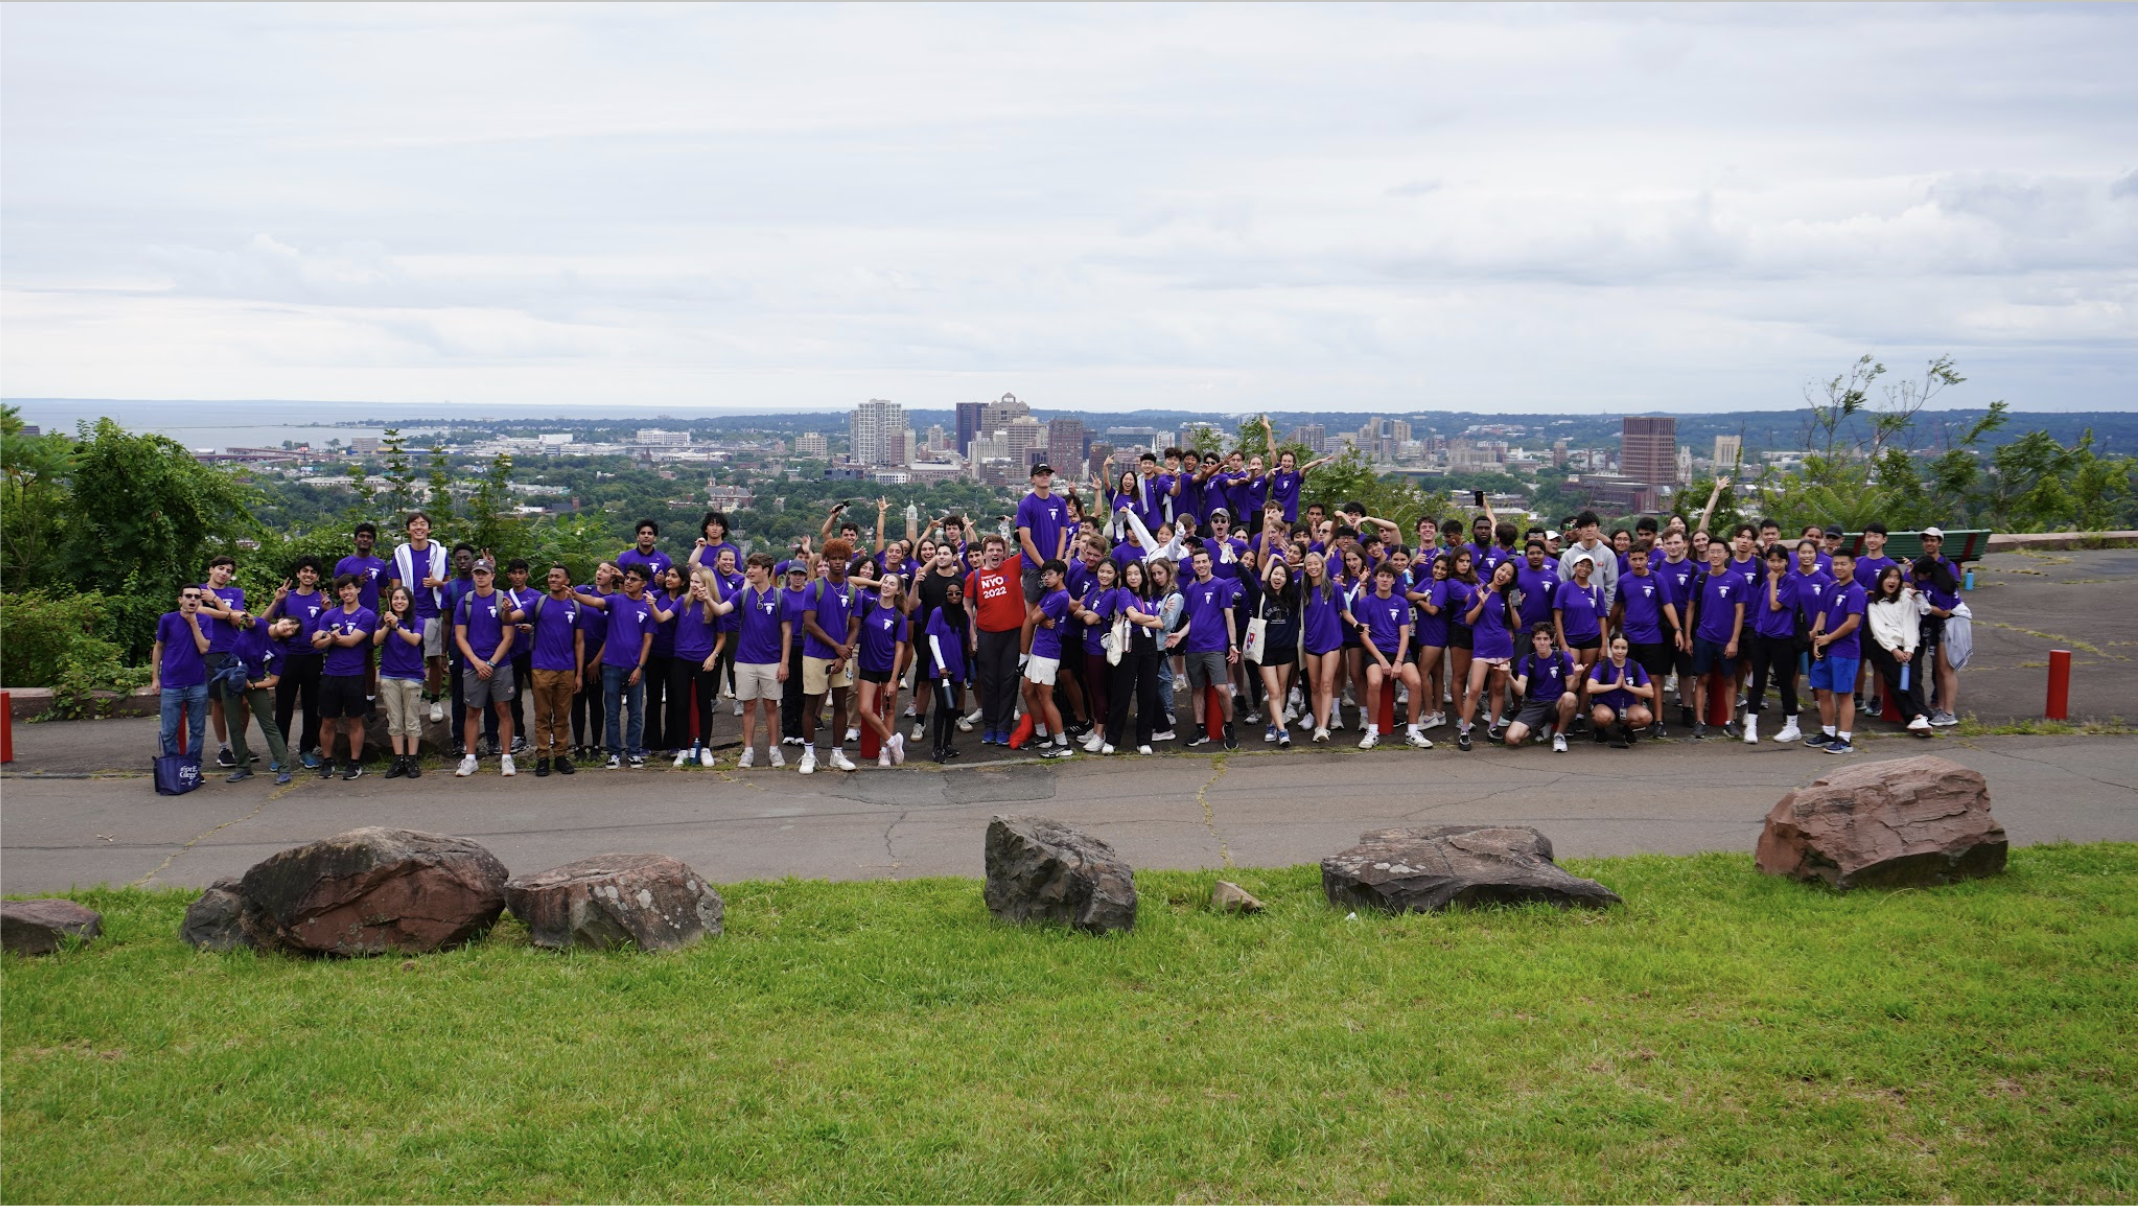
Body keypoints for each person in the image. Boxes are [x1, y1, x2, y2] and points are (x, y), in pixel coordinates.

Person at [712, 552, 791, 769]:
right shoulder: (742, 595)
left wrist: (784, 662)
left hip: (772, 661)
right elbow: (720, 610)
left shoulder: (780, 596)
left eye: (754, 567)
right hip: (745, 660)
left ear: (765, 570)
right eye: (748, 568)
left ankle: (774, 750)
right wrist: (706, 597)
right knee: (748, 706)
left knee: (771, 706)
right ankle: (748, 751)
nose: (749, 571)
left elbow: (787, 632)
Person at [799, 539, 863, 774]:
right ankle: (808, 754)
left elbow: (855, 627)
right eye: (833, 558)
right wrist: (838, 647)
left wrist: (843, 654)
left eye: (841, 558)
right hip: (816, 654)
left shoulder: (853, 591)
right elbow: (809, 623)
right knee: (811, 704)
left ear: (847, 561)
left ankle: (837, 753)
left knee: (840, 705)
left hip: (841, 657)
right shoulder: (814, 587)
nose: (837, 562)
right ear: (826, 560)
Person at [1349, 562, 1428, 750]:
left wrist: (1399, 662)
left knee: (1416, 683)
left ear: (1394, 580)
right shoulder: (1366, 602)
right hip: (1376, 653)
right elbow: (1364, 636)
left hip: (1399, 653)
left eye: (1389, 577)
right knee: (1375, 682)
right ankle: (1373, 731)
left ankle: (1413, 731)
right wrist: (1383, 660)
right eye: (1381, 576)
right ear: (1375, 579)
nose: (1385, 579)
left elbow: (1404, 635)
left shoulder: (1400, 602)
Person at [587, 564, 658, 770]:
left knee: (635, 712)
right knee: (612, 711)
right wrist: (574, 595)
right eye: (626, 578)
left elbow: (647, 641)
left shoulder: (648, 607)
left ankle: (634, 751)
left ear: (644, 583)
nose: (627, 582)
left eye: (633, 579)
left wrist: (640, 667)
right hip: (611, 665)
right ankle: (614, 753)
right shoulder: (616, 601)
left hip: (634, 667)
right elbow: (594, 601)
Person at [452, 559, 518, 777]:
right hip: (473, 665)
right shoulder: (466, 602)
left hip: (500, 664)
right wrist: (477, 662)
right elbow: (460, 637)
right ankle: (470, 758)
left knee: (503, 709)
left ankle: (507, 758)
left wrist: (490, 663)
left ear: (492, 575)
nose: (480, 576)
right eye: (477, 573)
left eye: (484, 573)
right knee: (472, 711)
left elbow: (508, 637)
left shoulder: (502, 600)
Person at [386, 511, 451, 724]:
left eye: (423, 524)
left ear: (429, 529)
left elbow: (448, 585)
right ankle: (408, 701)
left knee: (432, 659)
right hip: (409, 615)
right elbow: (395, 586)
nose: (419, 527)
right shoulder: (400, 554)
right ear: (408, 529)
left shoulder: (440, 553)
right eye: (414, 524)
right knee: (407, 657)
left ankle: (434, 701)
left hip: (431, 613)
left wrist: (437, 584)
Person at [310, 573, 376, 779]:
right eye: (342, 589)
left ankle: (354, 762)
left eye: (350, 588)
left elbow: (352, 642)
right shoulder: (330, 615)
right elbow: (316, 644)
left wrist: (328, 638)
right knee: (328, 721)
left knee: (354, 721)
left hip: (355, 675)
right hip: (331, 674)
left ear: (358, 589)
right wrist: (329, 638)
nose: (346, 592)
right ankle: (327, 761)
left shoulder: (367, 615)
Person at [963, 535, 1026, 746]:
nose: (995, 553)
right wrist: (972, 635)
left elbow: (1030, 545)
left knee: (1008, 681)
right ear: (984, 553)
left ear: (1004, 551)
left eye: (999, 550)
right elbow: (967, 606)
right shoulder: (975, 576)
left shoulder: (1013, 565)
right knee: (988, 681)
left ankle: (1004, 728)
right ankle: (990, 726)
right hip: (986, 634)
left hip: (1012, 634)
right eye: (991, 550)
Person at [265, 557, 328, 769]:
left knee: (311, 707)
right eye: (304, 571)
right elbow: (264, 622)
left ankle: (307, 750)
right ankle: (279, 753)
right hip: (287, 658)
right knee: (284, 707)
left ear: (317, 577)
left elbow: (331, 627)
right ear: (298, 574)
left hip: (313, 658)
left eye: (312, 572)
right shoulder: (286, 597)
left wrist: (328, 611)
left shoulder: (322, 600)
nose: (308, 574)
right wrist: (276, 600)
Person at [1179, 548, 1244, 750]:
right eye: (1197, 562)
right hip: (1194, 646)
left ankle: (1229, 726)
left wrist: (1232, 644)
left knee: (1221, 688)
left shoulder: (1221, 585)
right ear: (1193, 566)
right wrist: (1180, 635)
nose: (1201, 565)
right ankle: (1200, 729)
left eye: (1204, 561)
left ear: (1210, 562)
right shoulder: (1191, 589)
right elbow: (1193, 619)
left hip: (1215, 645)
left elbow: (1229, 616)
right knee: (1197, 688)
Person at [221, 614, 295, 784]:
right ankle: (243, 767)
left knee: (268, 724)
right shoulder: (261, 625)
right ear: (281, 619)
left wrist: (252, 686)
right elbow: (251, 621)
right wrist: (246, 616)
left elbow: (274, 680)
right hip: (231, 674)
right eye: (289, 623)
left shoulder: (281, 650)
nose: (288, 628)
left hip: (254, 679)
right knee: (234, 724)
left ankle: (284, 769)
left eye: (292, 630)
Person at [1807, 550, 1868, 754]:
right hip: (1827, 648)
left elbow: (1852, 623)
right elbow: (1822, 614)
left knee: (1843, 694)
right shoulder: (1831, 588)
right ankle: (1828, 732)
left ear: (1853, 565)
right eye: (1836, 564)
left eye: (1843, 564)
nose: (1839, 567)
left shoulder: (1856, 591)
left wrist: (1829, 638)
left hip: (1845, 650)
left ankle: (1845, 738)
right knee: (1823, 691)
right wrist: (1818, 640)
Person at [1744, 545, 1805, 746]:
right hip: (1763, 638)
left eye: (1779, 560)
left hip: (1783, 639)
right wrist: (1757, 631)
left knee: (1785, 682)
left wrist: (1772, 582)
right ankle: (1751, 725)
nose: (1775, 564)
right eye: (1771, 560)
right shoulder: (1765, 584)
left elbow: (1775, 605)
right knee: (1758, 681)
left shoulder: (1791, 582)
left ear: (1786, 561)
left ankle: (1792, 726)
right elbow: (1761, 610)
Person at [1684, 537, 1745, 741]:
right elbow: (1691, 608)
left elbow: (1740, 612)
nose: (1715, 555)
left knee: (1730, 679)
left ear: (1727, 554)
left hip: (1726, 639)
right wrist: (1687, 636)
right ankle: (1700, 721)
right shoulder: (1701, 579)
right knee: (1702, 679)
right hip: (1703, 637)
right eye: (1712, 551)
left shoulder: (1736, 579)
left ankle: (1730, 722)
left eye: (1719, 551)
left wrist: (1734, 640)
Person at [1864, 564, 1934, 736]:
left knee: (1913, 681)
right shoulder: (1875, 604)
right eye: (1889, 577)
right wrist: (1893, 649)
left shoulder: (1906, 598)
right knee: (1896, 684)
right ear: (1881, 581)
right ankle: (1917, 718)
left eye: (1896, 577)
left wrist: (1909, 649)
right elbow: (1879, 630)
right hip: (1889, 649)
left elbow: (1911, 623)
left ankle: (1918, 717)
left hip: (1911, 646)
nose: (1892, 581)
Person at [1456, 560, 1519, 751]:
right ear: (1495, 570)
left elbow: (1517, 625)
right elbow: (1468, 620)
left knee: (1499, 688)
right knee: (1474, 689)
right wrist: (1481, 604)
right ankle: (1464, 731)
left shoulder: (1511, 595)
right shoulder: (1479, 589)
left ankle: (1493, 727)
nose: (1503, 575)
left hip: (1502, 646)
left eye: (1508, 573)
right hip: (1482, 647)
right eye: (1502, 570)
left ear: (1511, 578)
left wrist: (1513, 607)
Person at [194, 554, 246, 768]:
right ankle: (224, 748)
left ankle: (239, 745)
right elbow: (198, 610)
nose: (224, 573)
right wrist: (228, 614)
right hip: (211, 649)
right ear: (211, 569)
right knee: (219, 701)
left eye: (228, 571)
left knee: (242, 701)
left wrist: (215, 601)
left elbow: (239, 618)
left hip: (235, 649)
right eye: (221, 568)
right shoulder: (197, 589)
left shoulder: (236, 592)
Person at [667, 567, 722, 767]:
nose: (693, 585)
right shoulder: (683, 602)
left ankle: (705, 747)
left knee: (703, 704)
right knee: (680, 704)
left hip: (703, 660)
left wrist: (713, 656)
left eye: (698, 582)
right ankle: (683, 748)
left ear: (707, 585)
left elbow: (722, 638)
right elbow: (663, 617)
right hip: (681, 658)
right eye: (692, 581)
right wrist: (651, 606)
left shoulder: (713, 606)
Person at [374, 585, 429, 779]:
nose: (399, 601)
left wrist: (397, 625)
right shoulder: (384, 619)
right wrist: (388, 625)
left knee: (412, 720)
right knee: (395, 720)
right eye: (396, 598)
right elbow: (375, 641)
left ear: (409, 601)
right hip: (389, 675)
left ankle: (412, 759)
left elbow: (414, 640)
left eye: (403, 598)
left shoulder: (417, 620)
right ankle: (399, 758)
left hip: (412, 675)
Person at [151, 585, 212, 762]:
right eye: (188, 596)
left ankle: (192, 768)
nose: (192, 599)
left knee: (197, 730)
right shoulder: (167, 619)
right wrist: (155, 677)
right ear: (180, 599)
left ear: (200, 601)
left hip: (197, 684)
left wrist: (193, 622)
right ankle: (173, 767)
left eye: (196, 597)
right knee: (169, 731)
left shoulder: (205, 620)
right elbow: (158, 647)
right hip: (171, 684)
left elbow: (203, 648)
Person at [855, 573, 910, 767]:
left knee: (888, 710)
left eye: (891, 583)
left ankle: (885, 752)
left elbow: (900, 650)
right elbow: (850, 580)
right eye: (885, 582)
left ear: (898, 590)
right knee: (864, 709)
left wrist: (894, 680)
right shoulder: (868, 604)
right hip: (868, 665)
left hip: (888, 669)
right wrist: (875, 582)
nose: (886, 586)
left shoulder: (899, 616)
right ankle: (892, 741)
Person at [1022, 559, 1076, 758]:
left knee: (1045, 697)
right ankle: (1042, 736)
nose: (1045, 578)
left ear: (1061, 575)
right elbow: (1034, 615)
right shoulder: (1050, 593)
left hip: (1048, 652)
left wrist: (1040, 617)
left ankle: (1062, 743)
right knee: (1027, 690)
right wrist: (1041, 618)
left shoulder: (1060, 596)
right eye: (1044, 575)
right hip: (1039, 650)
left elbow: (1033, 618)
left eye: (1050, 574)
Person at [335, 520, 390, 711]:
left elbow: (383, 590)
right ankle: (348, 697)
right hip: (347, 615)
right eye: (362, 536)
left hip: (371, 617)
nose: (365, 539)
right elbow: (337, 590)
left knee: (368, 657)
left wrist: (402, 597)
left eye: (369, 537)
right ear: (355, 540)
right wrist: (355, 583)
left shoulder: (380, 564)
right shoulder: (344, 564)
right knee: (346, 655)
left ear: (373, 541)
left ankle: (369, 698)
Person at [1249, 556, 1302, 747]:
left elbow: (1313, 573)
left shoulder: (1293, 597)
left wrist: (1297, 565)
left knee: (1281, 689)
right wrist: (1272, 558)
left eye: (1282, 574)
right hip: (1265, 651)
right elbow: (1252, 577)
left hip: (1286, 650)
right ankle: (1283, 730)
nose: (1277, 577)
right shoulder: (1262, 596)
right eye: (1275, 573)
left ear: (1288, 579)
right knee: (1273, 691)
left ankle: (1273, 724)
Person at [1915, 528, 1964, 726]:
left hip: (1949, 624)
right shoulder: (1927, 576)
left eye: (1933, 540)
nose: (1929, 543)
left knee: (1946, 669)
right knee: (1939, 667)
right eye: (1926, 540)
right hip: (1937, 625)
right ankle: (1941, 708)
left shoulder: (1943, 581)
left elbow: (1944, 611)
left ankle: (1948, 712)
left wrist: (1924, 605)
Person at [923, 579, 973, 762]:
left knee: (953, 707)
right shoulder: (938, 612)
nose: (954, 596)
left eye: (957, 593)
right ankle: (936, 747)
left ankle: (948, 743)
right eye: (950, 593)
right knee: (942, 706)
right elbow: (932, 639)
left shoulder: (963, 616)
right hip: (940, 668)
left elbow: (965, 641)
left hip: (958, 665)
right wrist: (941, 665)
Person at [1504, 627, 1577, 753]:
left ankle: (1559, 735)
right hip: (1535, 704)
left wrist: (1578, 677)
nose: (1542, 642)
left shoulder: (1563, 657)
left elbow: (1571, 688)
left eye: (1545, 639)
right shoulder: (1527, 660)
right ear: (1533, 640)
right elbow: (1520, 690)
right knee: (1512, 739)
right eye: (1538, 639)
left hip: (1557, 704)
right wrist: (1509, 676)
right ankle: (1539, 726)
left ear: (1551, 640)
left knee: (1570, 697)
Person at [1584, 634, 1655, 748]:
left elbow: (1650, 692)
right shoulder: (1602, 666)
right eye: (1616, 647)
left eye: (1623, 648)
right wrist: (1615, 685)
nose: (1620, 651)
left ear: (1628, 649)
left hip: (1627, 707)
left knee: (1646, 717)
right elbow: (1590, 687)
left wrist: (1627, 687)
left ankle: (1626, 729)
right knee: (1603, 717)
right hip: (1605, 705)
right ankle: (1600, 729)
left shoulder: (1635, 666)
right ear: (1610, 648)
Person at [616, 519, 673, 588]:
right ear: (637, 537)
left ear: (655, 538)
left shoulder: (665, 560)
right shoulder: (624, 558)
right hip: (631, 598)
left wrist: (663, 582)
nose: (646, 536)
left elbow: (673, 585)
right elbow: (616, 583)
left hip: (656, 598)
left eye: (650, 533)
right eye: (643, 533)